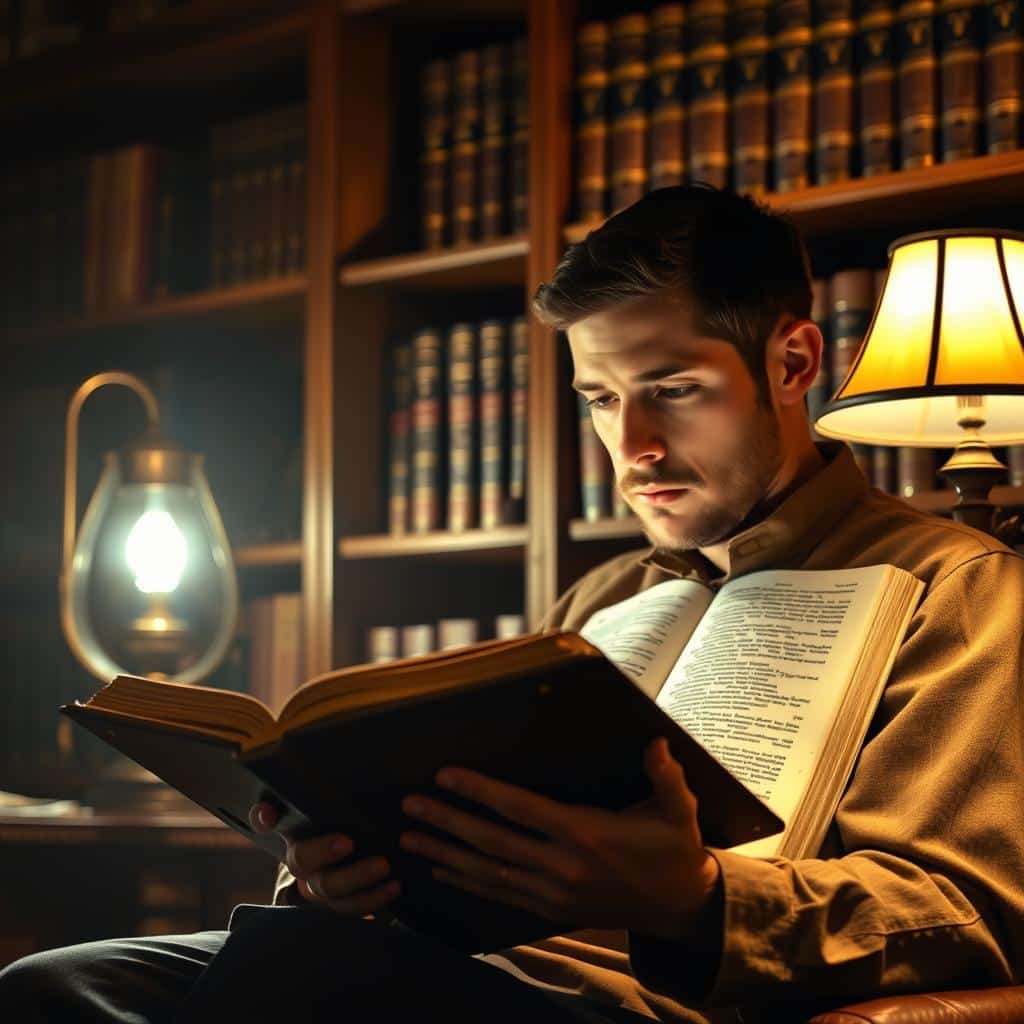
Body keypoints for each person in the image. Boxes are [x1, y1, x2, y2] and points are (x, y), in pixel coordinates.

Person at [4, 183, 1024, 1023]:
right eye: (597, 398)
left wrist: (696, 896)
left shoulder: (957, 588)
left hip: (636, 999)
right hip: (450, 960)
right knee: (57, 988)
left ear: (792, 363)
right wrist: (336, 868)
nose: (632, 445)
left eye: (671, 388)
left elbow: (966, 910)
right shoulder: (608, 594)